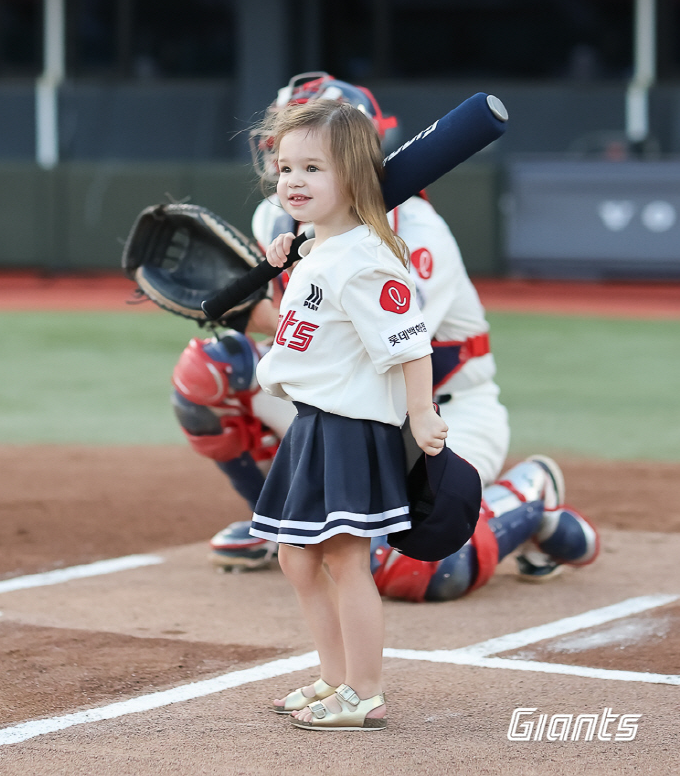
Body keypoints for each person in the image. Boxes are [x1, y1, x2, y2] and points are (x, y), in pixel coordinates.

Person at [170, 72, 598, 598]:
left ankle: (529, 498)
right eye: (288, 152)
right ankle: (282, 522)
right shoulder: (275, 218)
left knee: (417, 570)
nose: (297, 170)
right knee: (211, 368)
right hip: (342, 411)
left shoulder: (417, 233)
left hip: (438, 410)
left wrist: (256, 315)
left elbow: (375, 346)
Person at [251, 98, 447, 730]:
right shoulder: (323, 252)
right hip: (313, 425)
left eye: (314, 168)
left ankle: (364, 689)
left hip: (349, 430)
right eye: (286, 168)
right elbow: (312, 331)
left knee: (343, 559)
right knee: (295, 557)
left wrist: (422, 415)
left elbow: (412, 344)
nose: (293, 181)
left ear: (356, 181)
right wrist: (288, 267)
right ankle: (333, 677)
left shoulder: (365, 259)